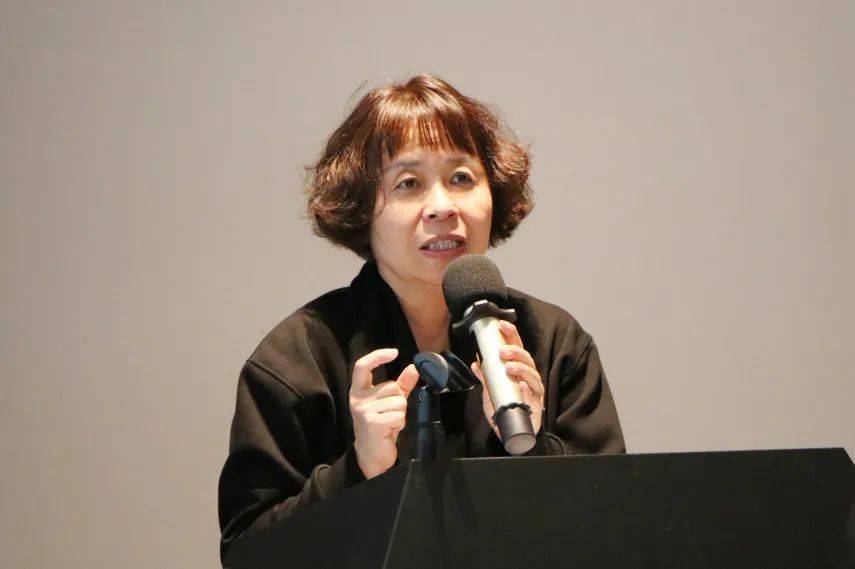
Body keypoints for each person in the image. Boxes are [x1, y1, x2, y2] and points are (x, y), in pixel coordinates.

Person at [218, 74, 625, 557]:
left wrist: (536, 448)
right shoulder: (297, 360)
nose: (442, 207)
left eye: (462, 178)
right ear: (361, 209)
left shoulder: (554, 342)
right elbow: (248, 553)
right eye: (408, 183)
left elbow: (615, 533)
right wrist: (357, 470)